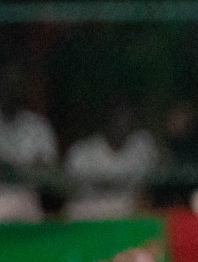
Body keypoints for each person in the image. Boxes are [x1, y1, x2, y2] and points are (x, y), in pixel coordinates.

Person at [64, 101, 159, 220]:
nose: (121, 126)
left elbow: (151, 184)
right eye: (117, 120)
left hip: (127, 215)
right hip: (89, 214)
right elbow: (67, 191)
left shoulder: (141, 148)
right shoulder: (82, 151)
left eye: (126, 121)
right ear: (106, 122)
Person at [0, 65, 57, 222]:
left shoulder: (39, 126)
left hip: (29, 201)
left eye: (17, 87)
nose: (13, 92)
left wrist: (11, 168)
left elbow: (49, 173)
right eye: (8, 86)